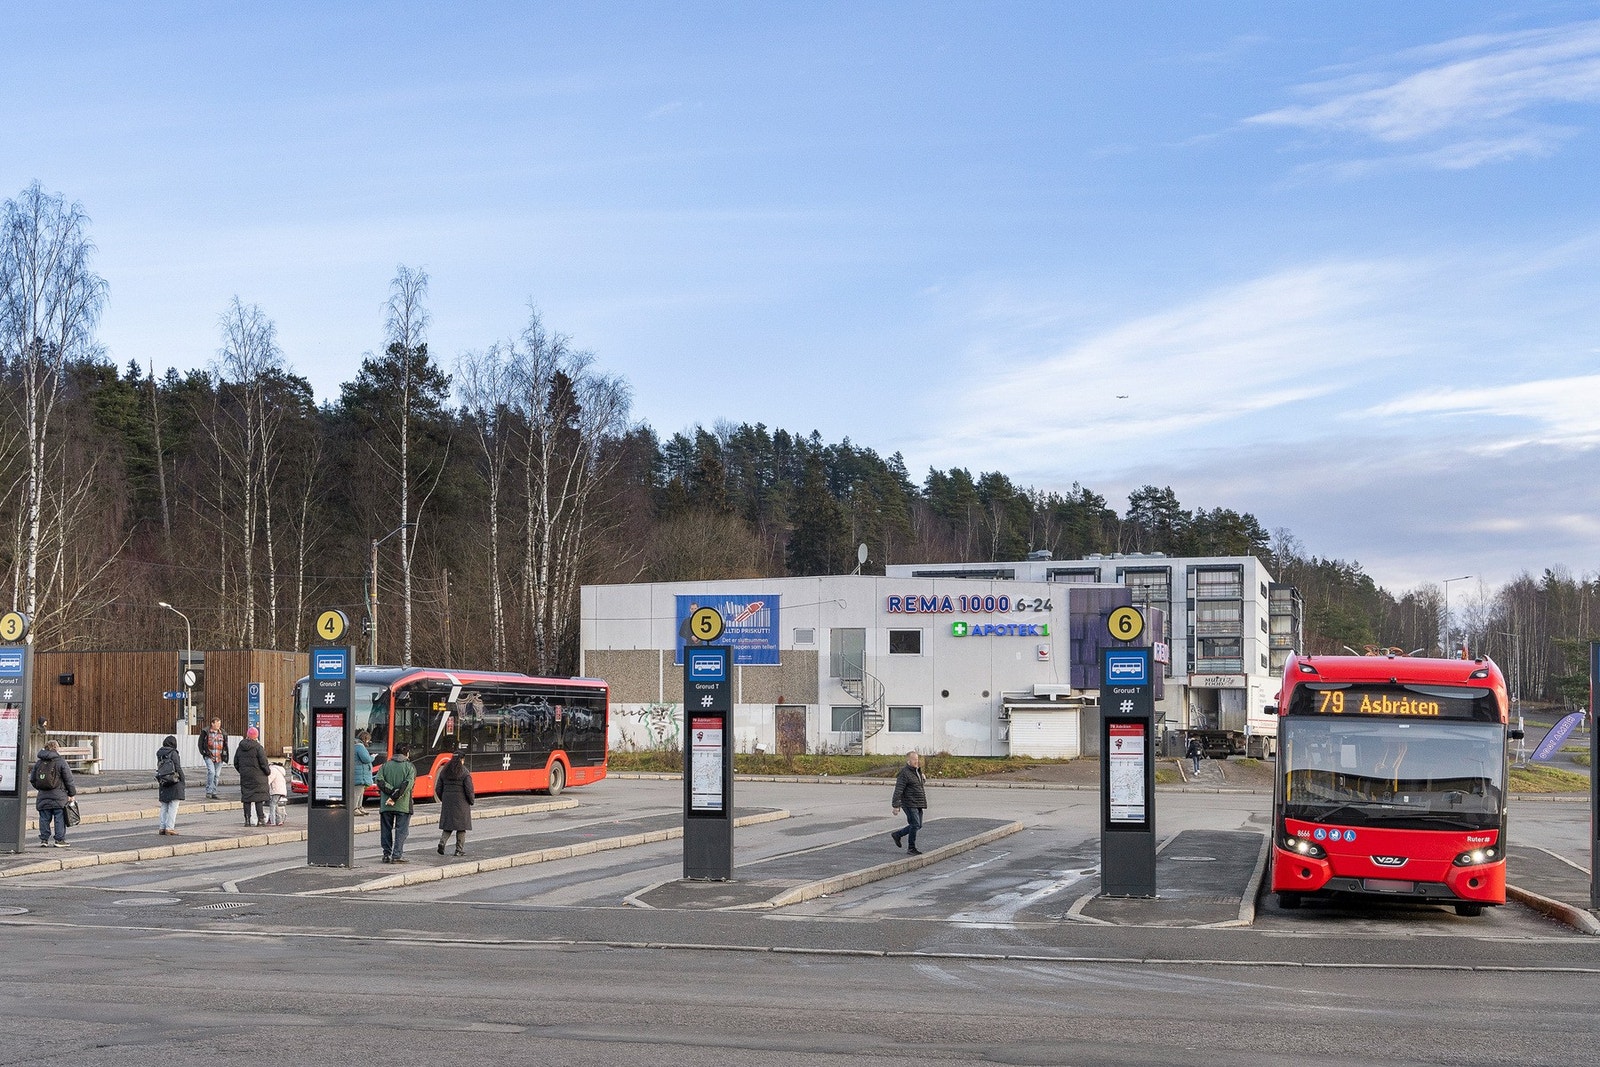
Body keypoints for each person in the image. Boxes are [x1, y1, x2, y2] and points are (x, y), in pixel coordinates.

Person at [31, 739, 77, 848]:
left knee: (44, 818)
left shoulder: (39, 762)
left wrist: (41, 788)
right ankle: (59, 840)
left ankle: (44, 839)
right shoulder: (60, 761)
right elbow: (69, 779)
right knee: (59, 818)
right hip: (59, 796)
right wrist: (71, 793)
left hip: (43, 795)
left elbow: (33, 779)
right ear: (56, 748)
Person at [376, 743, 417, 863]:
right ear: (407, 753)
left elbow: (379, 781)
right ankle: (397, 855)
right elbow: (408, 785)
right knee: (402, 831)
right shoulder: (410, 767)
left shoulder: (385, 766)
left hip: (386, 805)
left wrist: (391, 792)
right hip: (403, 805)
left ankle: (386, 854)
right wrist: (396, 795)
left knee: (386, 830)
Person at [435, 751, 475, 857]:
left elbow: (438, 788)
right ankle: (459, 850)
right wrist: (471, 800)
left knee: (448, 825)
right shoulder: (464, 772)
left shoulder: (445, 771)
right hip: (461, 803)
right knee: (461, 827)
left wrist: (443, 799)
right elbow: (469, 789)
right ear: (462, 760)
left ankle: (442, 843)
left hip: (448, 802)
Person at [890, 750, 928, 855]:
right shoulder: (904, 773)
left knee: (918, 825)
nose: (917, 761)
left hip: (918, 802)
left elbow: (916, 785)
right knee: (915, 824)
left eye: (917, 759)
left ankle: (897, 835)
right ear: (908, 761)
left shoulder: (917, 771)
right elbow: (899, 789)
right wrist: (896, 805)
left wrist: (923, 779)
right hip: (909, 803)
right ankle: (911, 848)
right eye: (914, 759)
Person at [233, 725, 271, 827]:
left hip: (246, 776)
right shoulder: (258, 748)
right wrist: (267, 772)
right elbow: (264, 763)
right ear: (256, 737)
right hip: (258, 777)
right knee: (258, 798)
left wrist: (243, 771)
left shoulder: (240, 748)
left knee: (247, 798)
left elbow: (235, 762)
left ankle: (247, 820)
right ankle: (260, 820)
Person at [155, 734, 186, 835]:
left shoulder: (160, 754)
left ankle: (162, 827)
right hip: (174, 780)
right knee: (173, 805)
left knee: (164, 805)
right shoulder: (173, 753)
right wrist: (182, 779)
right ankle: (170, 827)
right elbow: (177, 767)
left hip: (163, 780)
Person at [198, 717, 230, 800]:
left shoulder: (222, 733)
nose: (219, 725)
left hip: (219, 757)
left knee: (217, 775)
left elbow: (225, 745)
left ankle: (214, 792)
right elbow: (200, 743)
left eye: (219, 723)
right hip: (209, 755)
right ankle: (209, 791)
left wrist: (225, 754)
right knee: (211, 772)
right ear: (212, 723)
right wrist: (204, 753)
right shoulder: (206, 732)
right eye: (217, 723)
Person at [352, 729, 375, 815]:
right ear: (365, 739)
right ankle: (355, 808)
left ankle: (359, 807)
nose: (369, 742)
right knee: (358, 792)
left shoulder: (356, 745)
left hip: (359, 773)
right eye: (368, 739)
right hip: (360, 774)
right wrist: (372, 757)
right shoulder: (359, 747)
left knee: (360, 792)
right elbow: (366, 759)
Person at [266, 761, 288, 826]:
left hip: (276, 790)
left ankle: (273, 821)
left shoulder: (272, 769)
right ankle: (279, 820)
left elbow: (269, 779)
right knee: (276, 805)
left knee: (272, 805)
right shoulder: (280, 770)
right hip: (282, 790)